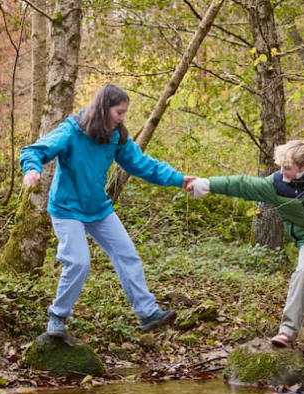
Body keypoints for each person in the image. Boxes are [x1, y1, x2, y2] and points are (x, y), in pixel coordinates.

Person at [20, 84, 193, 336]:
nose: (122, 118)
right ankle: (57, 316)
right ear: (104, 108)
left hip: (98, 208)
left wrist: (180, 179)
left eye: (124, 113)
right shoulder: (72, 131)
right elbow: (35, 150)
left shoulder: (116, 137)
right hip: (67, 209)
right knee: (79, 262)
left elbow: (142, 164)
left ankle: (147, 313)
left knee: (127, 254)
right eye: (119, 112)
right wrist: (32, 169)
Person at [190, 140, 304, 370]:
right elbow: (243, 185)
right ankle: (287, 331)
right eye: (281, 167)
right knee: (303, 273)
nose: (282, 173)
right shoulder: (277, 184)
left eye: (287, 168)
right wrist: (206, 184)